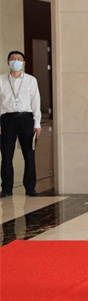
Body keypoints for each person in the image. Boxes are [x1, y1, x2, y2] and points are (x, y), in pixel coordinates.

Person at [0, 51, 42, 197]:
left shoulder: (31, 80)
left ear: (24, 63)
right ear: (8, 62)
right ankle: (6, 189)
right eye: (12, 59)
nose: (15, 61)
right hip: (7, 119)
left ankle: (30, 188)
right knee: (6, 155)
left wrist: (37, 123)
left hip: (26, 119)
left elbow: (36, 102)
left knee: (29, 154)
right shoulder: (1, 80)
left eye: (18, 59)